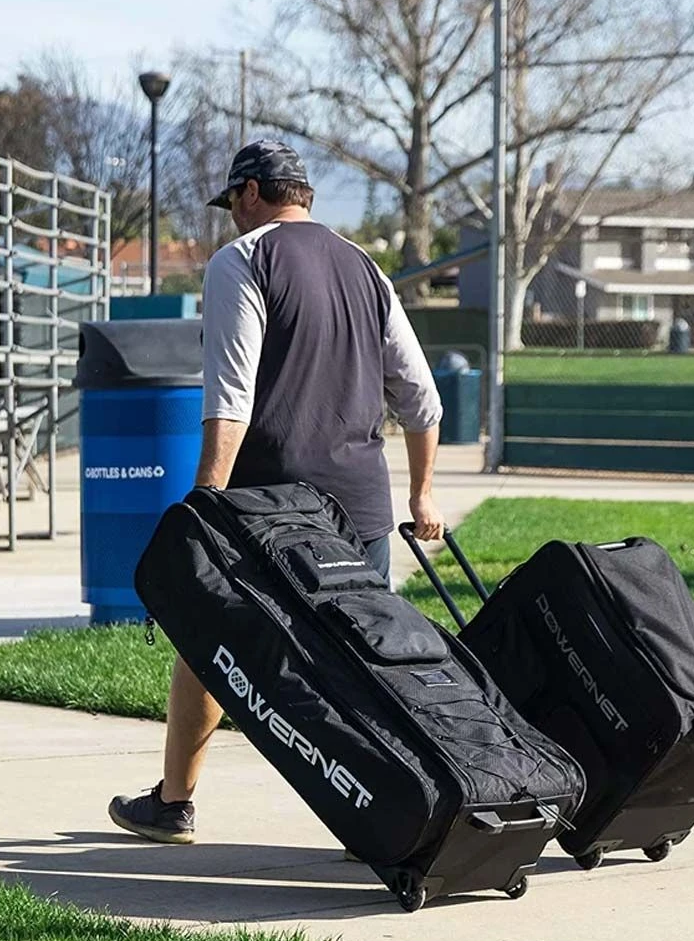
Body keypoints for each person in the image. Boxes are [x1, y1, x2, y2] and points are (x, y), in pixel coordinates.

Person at [108, 140, 445, 844]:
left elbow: (228, 398)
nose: (231, 216)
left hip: (274, 510)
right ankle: (399, 815)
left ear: (253, 192)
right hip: (363, 508)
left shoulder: (244, 260)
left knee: (206, 639)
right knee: (370, 664)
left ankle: (173, 804)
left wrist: (203, 505)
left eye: (233, 201)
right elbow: (422, 398)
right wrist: (422, 496)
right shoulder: (364, 267)